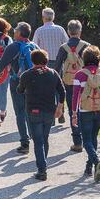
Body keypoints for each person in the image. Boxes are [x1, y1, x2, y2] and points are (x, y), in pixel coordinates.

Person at [17, 49, 65, 181]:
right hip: (50, 111)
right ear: (46, 60)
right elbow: (62, 91)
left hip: (33, 111)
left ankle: (42, 170)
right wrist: (60, 107)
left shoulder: (27, 75)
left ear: (32, 61)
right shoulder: (53, 73)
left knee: (38, 141)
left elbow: (20, 90)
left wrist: (21, 82)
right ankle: (43, 163)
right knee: (45, 138)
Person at [0, 22, 38, 154]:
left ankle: (25, 143)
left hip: (17, 83)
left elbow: (2, 63)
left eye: (16, 29)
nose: (14, 31)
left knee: (20, 112)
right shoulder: (34, 46)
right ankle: (36, 140)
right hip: (33, 83)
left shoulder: (13, 47)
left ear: (19, 33)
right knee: (31, 111)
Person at [71, 46, 100, 182]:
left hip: (85, 110)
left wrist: (74, 114)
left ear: (84, 58)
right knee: (93, 137)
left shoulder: (80, 75)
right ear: (98, 58)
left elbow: (75, 96)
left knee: (86, 140)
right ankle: (89, 168)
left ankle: (96, 162)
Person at [55, 19, 89, 151]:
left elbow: (57, 67)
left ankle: (77, 142)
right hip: (85, 83)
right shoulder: (86, 46)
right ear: (80, 31)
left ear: (68, 32)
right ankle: (88, 140)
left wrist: (57, 84)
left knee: (73, 111)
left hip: (69, 83)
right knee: (85, 110)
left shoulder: (63, 48)